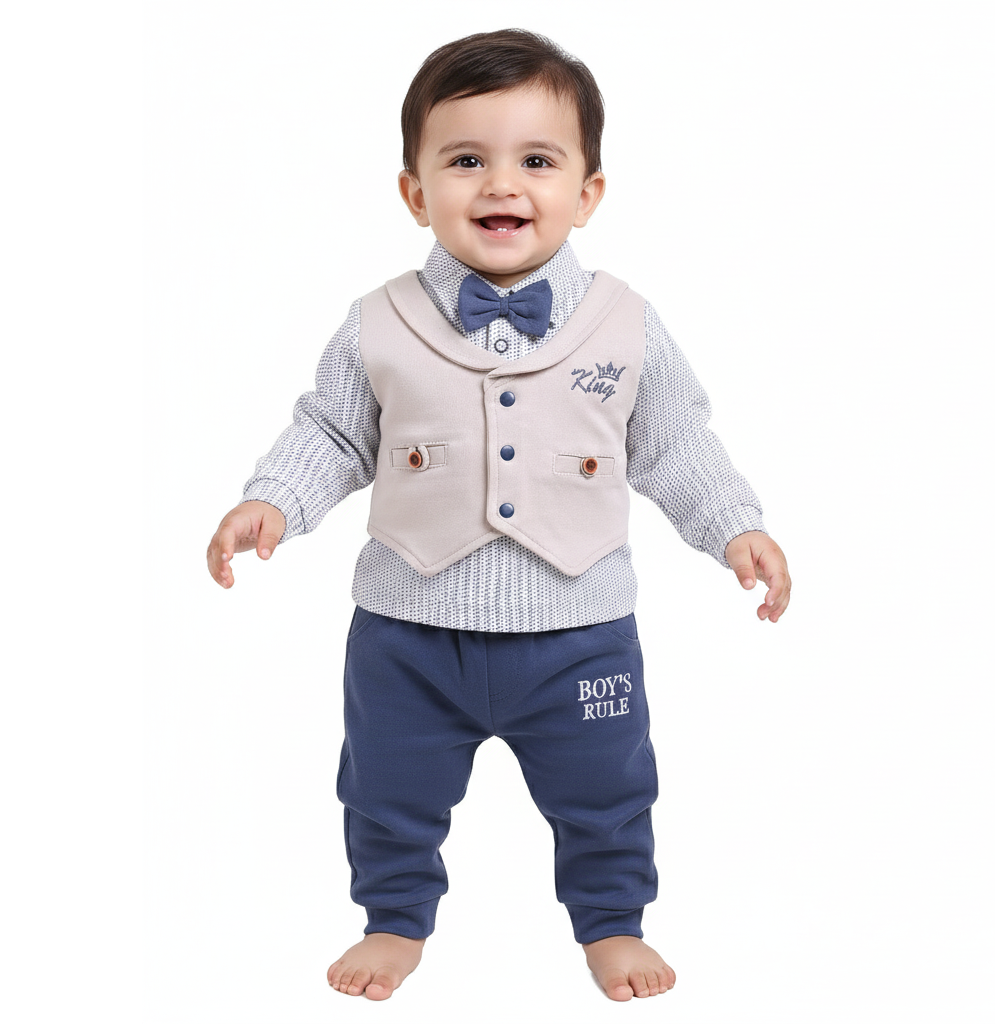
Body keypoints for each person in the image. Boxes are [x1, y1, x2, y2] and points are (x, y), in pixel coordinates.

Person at [206, 28, 791, 1002]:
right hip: (407, 632)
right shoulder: (378, 321)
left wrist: (735, 523)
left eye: (537, 162)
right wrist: (272, 500)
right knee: (384, 786)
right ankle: (393, 916)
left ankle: (611, 919)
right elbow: (333, 433)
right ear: (414, 191)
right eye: (466, 160)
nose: (501, 185)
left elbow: (675, 444)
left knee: (608, 789)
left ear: (588, 192)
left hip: (579, 634)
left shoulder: (626, 323)